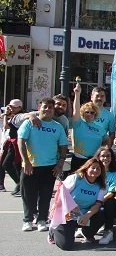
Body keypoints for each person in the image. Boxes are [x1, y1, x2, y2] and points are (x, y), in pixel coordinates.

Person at [18, 98, 68, 232]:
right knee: (28, 195)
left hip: (50, 167)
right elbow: (21, 142)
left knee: (45, 196)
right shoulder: (29, 123)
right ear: (39, 107)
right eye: (45, 106)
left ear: (53, 110)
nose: (47, 109)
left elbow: (63, 146)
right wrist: (26, 161)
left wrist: (60, 164)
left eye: (50, 107)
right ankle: (28, 220)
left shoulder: (57, 127)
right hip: (30, 165)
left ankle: (42, 219)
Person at [50, 158, 107, 250]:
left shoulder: (101, 185)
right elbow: (61, 194)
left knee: (102, 212)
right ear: (86, 168)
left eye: (98, 168)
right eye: (93, 167)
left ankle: (87, 233)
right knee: (66, 246)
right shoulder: (75, 178)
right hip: (67, 213)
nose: (95, 170)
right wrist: (71, 207)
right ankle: (53, 231)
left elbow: (97, 204)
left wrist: (87, 215)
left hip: (84, 214)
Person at [69, 82, 108, 173]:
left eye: (92, 112)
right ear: (83, 113)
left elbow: (107, 140)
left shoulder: (100, 129)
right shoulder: (78, 123)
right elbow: (75, 111)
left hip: (93, 161)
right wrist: (77, 94)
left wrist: (103, 151)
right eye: (87, 112)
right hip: (79, 159)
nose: (89, 114)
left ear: (95, 114)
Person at [96, 146, 116, 245]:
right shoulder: (93, 171)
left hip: (106, 200)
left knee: (109, 202)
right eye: (103, 156)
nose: (105, 158)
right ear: (98, 157)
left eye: (108, 156)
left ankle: (109, 231)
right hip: (92, 199)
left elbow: (111, 193)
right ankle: (83, 228)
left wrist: (99, 202)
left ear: (112, 158)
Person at [1, 99, 25, 194]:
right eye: (10, 107)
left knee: (8, 164)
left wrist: (5, 115)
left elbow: (6, 126)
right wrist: (6, 114)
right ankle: (20, 185)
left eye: (14, 107)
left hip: (17, 143)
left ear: (19, 108)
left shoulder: (19, 116)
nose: (11, 109)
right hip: (12, 143)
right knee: (12, 164)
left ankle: (20, 184)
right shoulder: (13, 115)